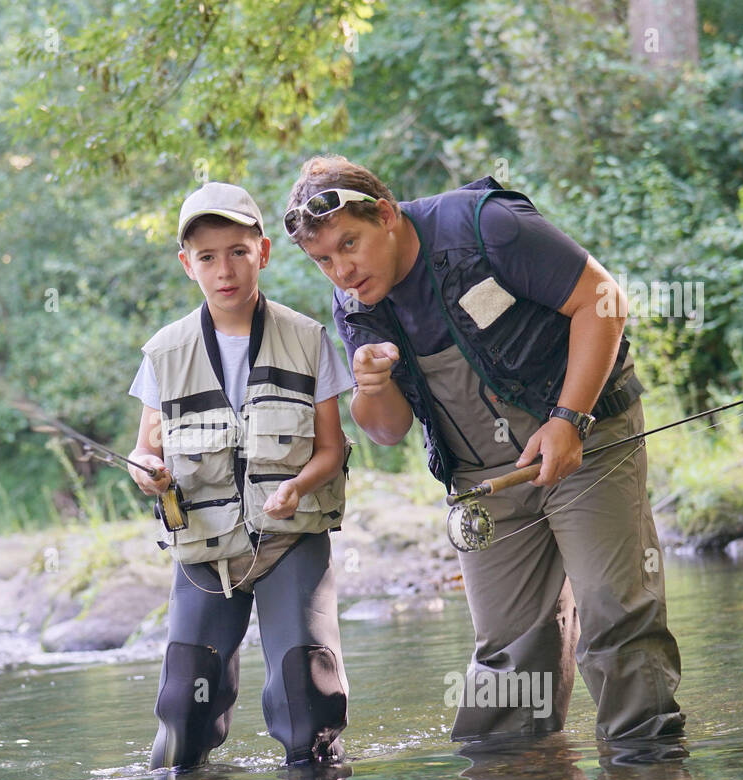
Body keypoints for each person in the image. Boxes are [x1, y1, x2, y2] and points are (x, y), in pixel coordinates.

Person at [282, 155, 686, 742]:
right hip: (485, 480)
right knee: (508, 664)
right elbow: (386, 430)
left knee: (615, 613)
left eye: (350, 244)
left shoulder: (485, 226)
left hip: (587, 436)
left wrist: (569, 419)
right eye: (324, 260)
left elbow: (602, 298)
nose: (342, 270)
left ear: (388, 216)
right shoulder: (355, 305)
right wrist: (371, 387)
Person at [126, 181, 356, 770]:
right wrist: (148, 471)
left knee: (308, 704)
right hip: (205, 552)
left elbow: (332, 450)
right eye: (206, 257)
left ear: (263, 252)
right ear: (187, 265)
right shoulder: (163, 353)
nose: (224, 269)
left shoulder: (308, 340)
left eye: (236, 251)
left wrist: (297, 486)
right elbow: (144, 453)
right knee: (183, 719)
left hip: (291, 542)